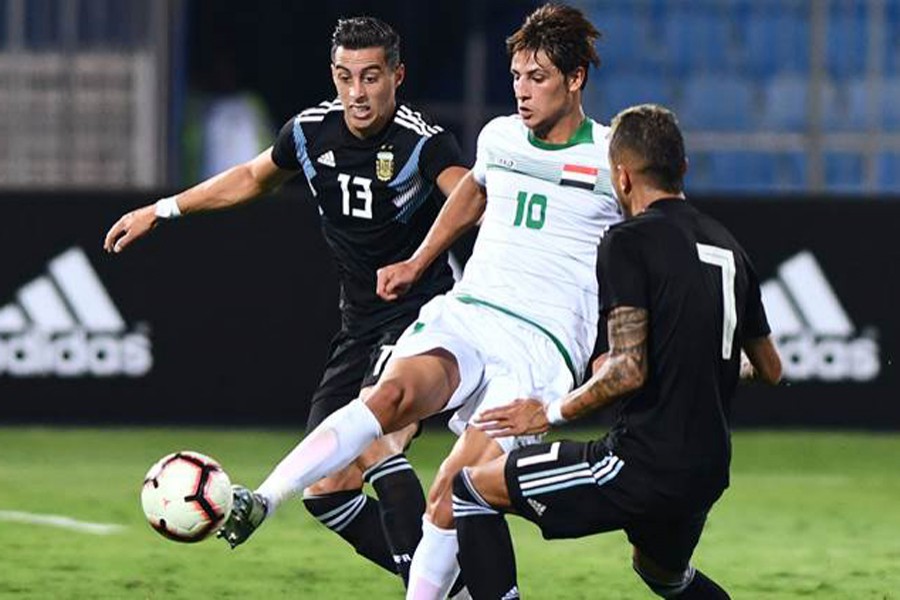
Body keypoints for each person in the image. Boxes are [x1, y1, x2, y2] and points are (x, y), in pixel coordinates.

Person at [216, 4, 623, 598]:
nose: (522, 91)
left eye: (537, 79)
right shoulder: (500, 135)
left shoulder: (613, 158)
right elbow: (472, 194)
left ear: (575, 78)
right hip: (473, 310)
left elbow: (654, 241)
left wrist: (619, 332)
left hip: (544, 345)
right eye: (515, 76)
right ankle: (264, 499)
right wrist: (418, 261)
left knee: (455, 492)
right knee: (389, 396)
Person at [103, 17, 468, 587]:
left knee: (376, 438)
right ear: (333, 75)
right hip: (359, 324)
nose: (358, 92)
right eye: (346, 77)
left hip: (423, 315)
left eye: (371, 77)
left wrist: (420, 261)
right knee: (326, 488)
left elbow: (470, 195)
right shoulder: (309, 132)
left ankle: (428, 589)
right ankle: (452, 582)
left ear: (397, 76)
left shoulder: (423, 141)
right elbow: (253, 177)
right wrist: (162, 209)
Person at [451, 104, 784, 599]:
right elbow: (770, 369)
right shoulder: (728, 245)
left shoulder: (627, 241)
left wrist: (548, 412)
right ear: (683, 168)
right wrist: (680, 358)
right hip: (708, 468)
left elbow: (626, 371)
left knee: (471, 490)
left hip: (641, 463)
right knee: (663, 574)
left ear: (622, 177)